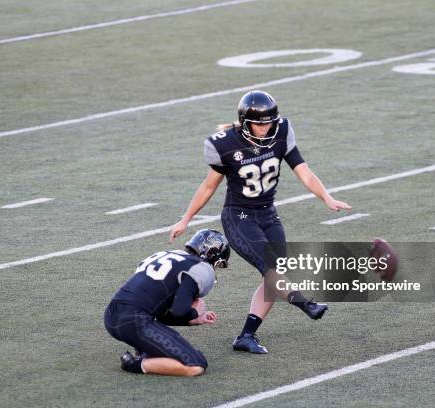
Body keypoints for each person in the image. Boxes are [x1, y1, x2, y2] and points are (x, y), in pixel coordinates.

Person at [169, 90, 351, 354]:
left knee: (274, 276)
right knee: (271, 270)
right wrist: (185, 219)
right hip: (238, 216)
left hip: (268, 214)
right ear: (245, 122)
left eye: (269, 122)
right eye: (260, 123)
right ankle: (305, 303)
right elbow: (209, 187)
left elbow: (303, 169)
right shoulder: (225, 144)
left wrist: (327, 197)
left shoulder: (281, 131)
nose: (266, 128)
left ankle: (246, 336)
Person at [104, 229, 230, 376]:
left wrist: (192, 320)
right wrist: (196, 311)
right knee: (196, 364)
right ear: (211, 255)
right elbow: (179, 311)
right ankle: (135, 364)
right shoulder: (201, 268)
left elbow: (160, 313)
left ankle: (144, 350)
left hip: (112, 316)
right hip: (135, 322)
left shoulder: (166, 254)